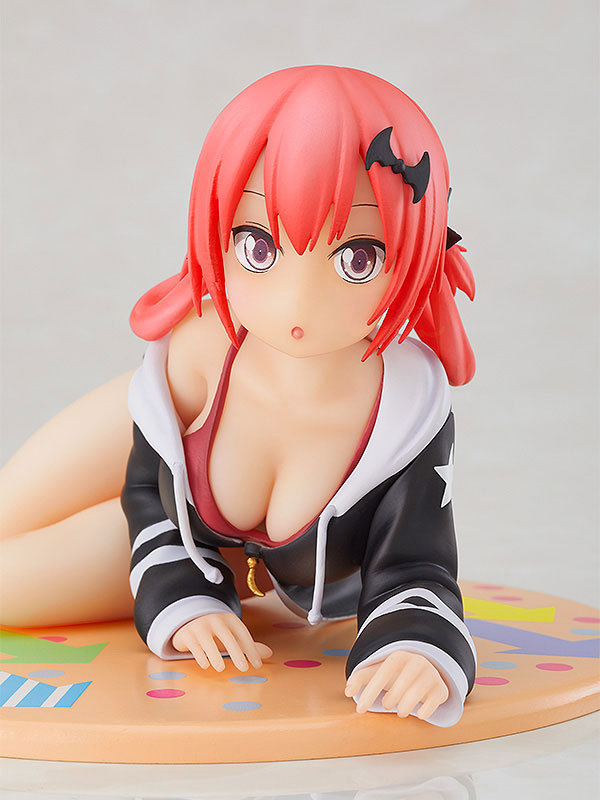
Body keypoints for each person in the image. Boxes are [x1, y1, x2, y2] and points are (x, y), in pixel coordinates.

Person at [0, 66, 477, 727]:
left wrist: (418, 650)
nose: (297, 303)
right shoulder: (199, 345)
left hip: (216, 554)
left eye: (358, 258)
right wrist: (184, 600)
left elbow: (417, 561)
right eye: (258, 245)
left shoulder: (405, 409)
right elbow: (147, 487)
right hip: (180, 417)